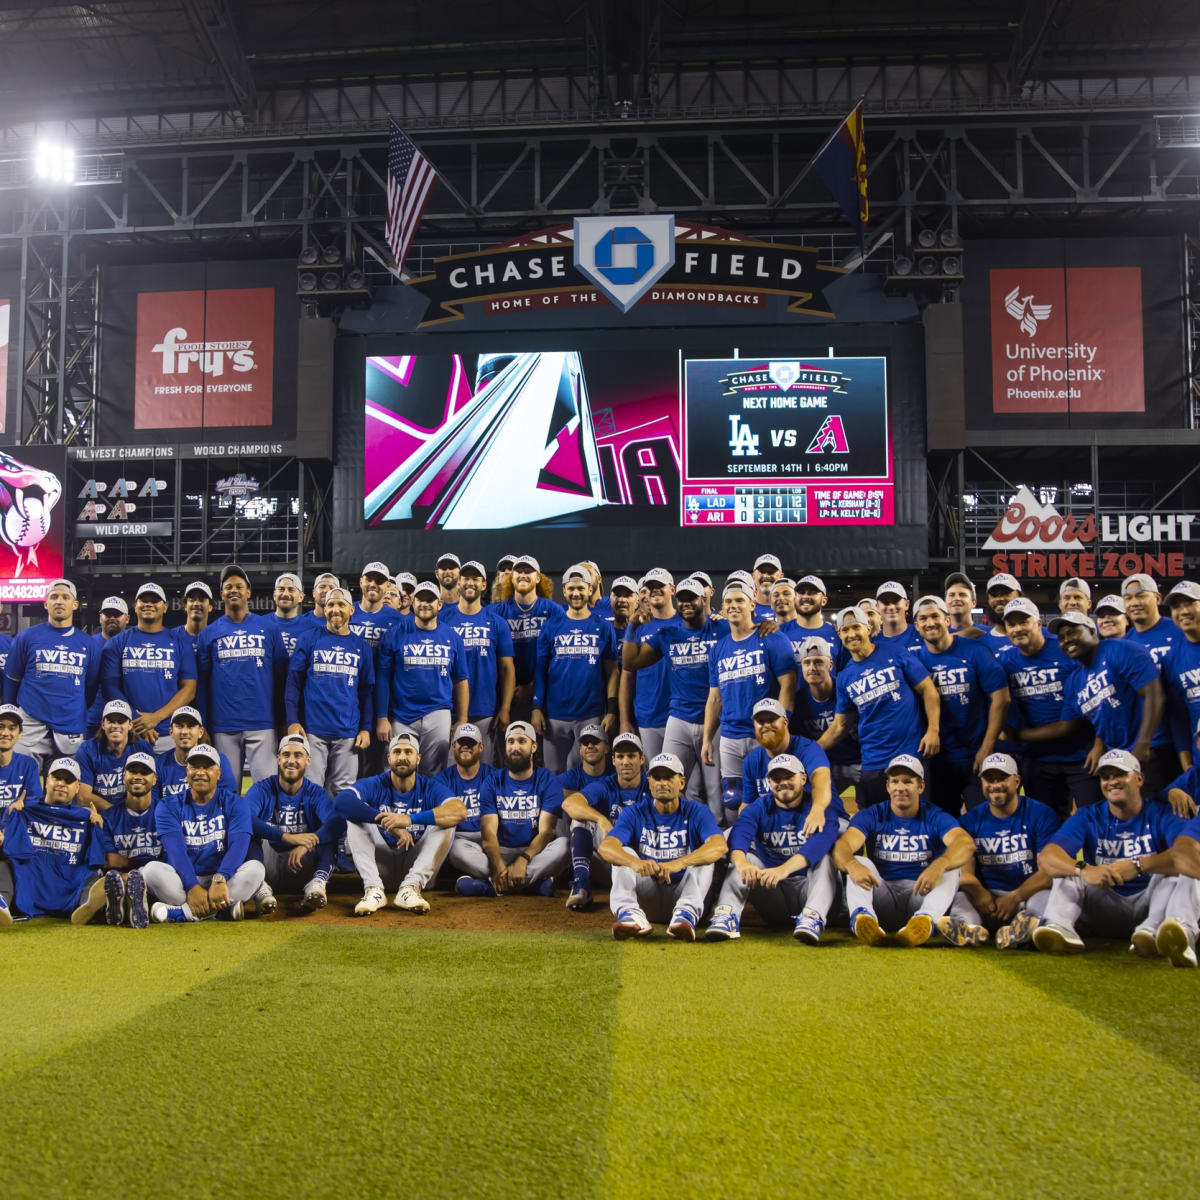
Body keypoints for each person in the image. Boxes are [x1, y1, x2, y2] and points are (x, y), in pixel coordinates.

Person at [1033, 750, 1195, 960]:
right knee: (1067, 869)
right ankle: (1059, 926)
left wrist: (1138, 865)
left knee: (1179, 873)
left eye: (1120, 775)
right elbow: (1048, 857)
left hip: (1151, 903)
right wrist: (1085, 869)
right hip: (1104, 901)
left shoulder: (1162, 813)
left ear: (1139, 779)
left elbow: (1187, 857)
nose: (1112, 782)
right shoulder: (1089, 815)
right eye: (1106, 777)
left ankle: (1152, 933)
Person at [832, 755, 974, 947]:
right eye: (895, 781)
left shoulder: (934, 815)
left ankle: (924, 922)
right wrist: (851, 864)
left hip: (920, 894)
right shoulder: (873, 814)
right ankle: (863, 919)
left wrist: (941, 863)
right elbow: (843, 846)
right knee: (861, 863)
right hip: (884, 897)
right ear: (888, 786)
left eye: (908, 782)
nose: (900, 787)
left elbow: (965, 843)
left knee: (951, 869)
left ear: (921, 787)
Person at [706, 753, 840, 943]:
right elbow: (739, 837)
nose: (782, 782)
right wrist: (743, 864)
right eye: (776, 779)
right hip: (774, 893)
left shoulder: (820, 810)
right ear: (769, 782)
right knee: (745, 861)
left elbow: (817, 848)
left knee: (826, 860)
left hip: (811, 888)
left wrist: (782, 870)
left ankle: (812, 917)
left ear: (803, 778)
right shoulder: (758, 808)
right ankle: (726, 915)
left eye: (788, 777)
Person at [819, 606, 940, 810]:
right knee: (877, 826)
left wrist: (933, 730)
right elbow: (840, 725)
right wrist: (810, 750)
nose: (851, 634)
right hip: (873, 761)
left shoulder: (895, 652)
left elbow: (928, 690)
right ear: (839, 635)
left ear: (867, 628)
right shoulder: (845, 677)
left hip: (909, 754)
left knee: (917, 822)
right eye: (845, 630)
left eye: (856, 627)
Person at [334, 729, 466, 915]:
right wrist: (387, 823)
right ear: (389, 758)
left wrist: (409, 819)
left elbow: (460, 810)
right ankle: (373, 890)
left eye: (408, 752)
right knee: (355, 820)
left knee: (447, 821)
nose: (402, 757)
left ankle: (410, 888)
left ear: (418, 758)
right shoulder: (376, 783)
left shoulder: (429, 786)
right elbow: (341, 802)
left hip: (416, 865)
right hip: (382, 868)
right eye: (397, 752)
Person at [599, 751, 727, 940]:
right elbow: (606, 847)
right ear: (649, 782)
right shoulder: (635, 812)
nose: (662, 783)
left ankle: (685, 915)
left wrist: (679, 863)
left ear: (681, 782)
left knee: (705, 855)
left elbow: (719, 846)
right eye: (656, 778)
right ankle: (629, 914)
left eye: (668, 777)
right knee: (623, 852)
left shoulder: (696, 811)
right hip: (648, 896)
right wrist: (635, 863)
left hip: (685, 892)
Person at [625, 578, 723, 820]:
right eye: (683, 598)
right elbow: (630, 662)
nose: (687, 603)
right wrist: (632, 626)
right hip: (678, 719)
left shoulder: (721, 628)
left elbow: (748, 629)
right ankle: (673, 836)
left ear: (704, 599)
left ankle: (720, 848)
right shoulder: (668, 633)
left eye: (693, 598)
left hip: (716, 720)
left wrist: (765, 624)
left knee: (715, 791)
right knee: (666, 781)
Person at [139, 743, 264, 923]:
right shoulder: (168, 805)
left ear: (219, 773)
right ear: (186, 771)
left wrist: (220, 878)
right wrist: (192, 887)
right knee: (150, 871)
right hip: (183, 879)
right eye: (194, 766)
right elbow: (176, 852)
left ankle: (182, 914)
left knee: (256, 869)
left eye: (207, 767)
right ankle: (221, 911)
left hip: (222, 878)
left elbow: (239, 845)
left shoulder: (236, 803)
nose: (200, 772)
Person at [999, 598, 1099, 819]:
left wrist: (1017, 735)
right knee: (1047, 827)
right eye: (1012, 625)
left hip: (1081, 755)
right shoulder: (1005, 661)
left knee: (1094, 823)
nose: (1017, 629)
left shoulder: (1066, 648)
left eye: (1023, 622)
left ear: (1038, 623)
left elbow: (1096, 701)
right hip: (1038, 760)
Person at [947, 753, 1060, 949]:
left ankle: (1023, 928)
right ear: (981, 782)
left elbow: (1048, 872)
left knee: (1051, 894)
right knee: (957, 895)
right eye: (989, 779)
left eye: (1002, 778)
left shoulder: (1041, 814)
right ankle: (971, 929)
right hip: (987, 901)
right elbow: (965, 873)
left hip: (1027, 895)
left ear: (1017, 781)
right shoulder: (969, 821)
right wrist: (979, 893)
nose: (995, 785)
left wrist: (1016, 896)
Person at [913, 594, 1010, 814]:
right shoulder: (914, 660)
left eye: (935, 616)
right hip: (938, 760)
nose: (930, 623)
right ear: (917, 626)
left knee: (985, 825)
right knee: (944, 831)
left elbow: (1001, 697)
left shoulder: (974, 650)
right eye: (924, 618)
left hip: (976, 754)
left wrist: (987, 746)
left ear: (947, 620)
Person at [701, 582, 796, 808]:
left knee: (772, 798)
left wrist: (782, 726)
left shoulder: (772, 637)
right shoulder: (718, 649)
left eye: (739, 600)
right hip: (730, 736)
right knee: (733, 801)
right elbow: (715, 698)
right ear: (722, 608)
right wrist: (707, 738)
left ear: (752, 604)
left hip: (764, 733)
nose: (733, 606)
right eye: (728, 602)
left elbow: (788, 685)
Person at [196, 564, 289, 783]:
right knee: (226, 789)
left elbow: (282, 677)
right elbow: (202, 684)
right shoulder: (209, 633)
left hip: (262, 722)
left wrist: (282, 720)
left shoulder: (269, 629)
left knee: (265, 790)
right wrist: (204, 725)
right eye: (228, 587)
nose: (234, 590)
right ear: (222, 594)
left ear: (249, 591)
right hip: (222, 724)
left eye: (239, 586)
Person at [456, 722, 569, 897]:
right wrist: (498, 865)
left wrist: (524, 859)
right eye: (511, 742)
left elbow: (546, 832)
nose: (515, 747)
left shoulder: (548, 780)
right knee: (456, 848)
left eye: (522, 741)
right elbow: (488, 833)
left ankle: (493, 888)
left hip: (534, 852)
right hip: (499, 850)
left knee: (565, 846)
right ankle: (530, 885)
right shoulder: (492, 781)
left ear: (534, 747)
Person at [285, 585, 374, 796]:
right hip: (313, 730)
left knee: (344, 792)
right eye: (330, 604)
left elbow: (367, 692)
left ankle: (341, 831)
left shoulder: (362, 647)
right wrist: (292, 720)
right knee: (312, 789)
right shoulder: (308, 638)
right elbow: (293, 682)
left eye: (341, 604)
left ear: (351, 610)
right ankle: (313, 830)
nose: (335, 609)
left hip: (347, 731)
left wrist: (366, 728)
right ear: (324, 609)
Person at [5, 578, 100, 772]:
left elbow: (89, 688)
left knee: (64, 792)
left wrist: (73, 710)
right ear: (45, 603)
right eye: (54, 597)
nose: (59, 601)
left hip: (70, 726)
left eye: (65, 597)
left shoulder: (89, 644)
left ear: (75, 604)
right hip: (30, 724)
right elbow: (12, 679)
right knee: (21, 790)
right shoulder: (27, 637)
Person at [375, 580, 469, 775]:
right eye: (420, 599)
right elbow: (383, 678)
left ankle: (428, 805)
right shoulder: (394, 634)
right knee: (397, 769)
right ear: (413, 603)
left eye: (430, 600)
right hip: (402, 714)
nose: (425, 604)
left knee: (434, 772)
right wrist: (382, 717)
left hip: (438, 711)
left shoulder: (452, 637)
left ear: (439, 605)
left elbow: (460, 680)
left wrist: (462, 718)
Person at [1052, 610, 1163, 771]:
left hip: (1150, 750)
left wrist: (1143, 744)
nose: (1067, 640)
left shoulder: (1120, 649)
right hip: (1116, 758)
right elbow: (1070, 725)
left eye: (1072, 633)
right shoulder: (1073, 681)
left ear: (1091, 631)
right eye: (1061, 638)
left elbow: (1154, 695)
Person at [0, 757, 106, 926]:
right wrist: (12, 816)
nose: (62, 783)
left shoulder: (88, 818)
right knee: (3, 864)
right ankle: (2, 902)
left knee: (95, 874)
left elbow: (98, 860)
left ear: (77, 787)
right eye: (57, 777)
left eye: (69, 780)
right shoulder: (23, 809)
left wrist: (98, 828)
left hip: (70, 888)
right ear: (46, 780)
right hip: (30, 887)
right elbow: (8, 849)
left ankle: (86, 903)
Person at [532, 565, 619, 771]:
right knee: (554, 775)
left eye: (581, 588)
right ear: (564, 591)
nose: (576, 593)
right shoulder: (551, 625)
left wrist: (612, 710)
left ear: (590, 589)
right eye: (571, 589)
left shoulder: (603, 626)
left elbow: (612, 672)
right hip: (555, 714)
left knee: (588, 773)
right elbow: (540, 670)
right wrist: (536, 708)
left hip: (591, 713)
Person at [100, 582, 197, 753]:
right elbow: (110, 688)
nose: (149, 604)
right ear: (135, 607)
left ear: (165, 607)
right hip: (130, 733)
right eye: (143, 600)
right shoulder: (116, 643)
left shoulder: (181, 642)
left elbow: (189, 689)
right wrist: (137, 721)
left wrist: (156, 717)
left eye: (155, 601)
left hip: (169, 731)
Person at [245, 735, 338, 914]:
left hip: (304, 865)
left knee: (329, 834)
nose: (291, 761)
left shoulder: (316, 793)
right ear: (278, 758)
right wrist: (286, 837)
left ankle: (317, 884)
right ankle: (260, 889)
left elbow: (335, 824)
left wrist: (309, 843)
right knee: (244, 833)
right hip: (266, 866)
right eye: (286, 755)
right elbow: (245, 819)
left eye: (298, 755)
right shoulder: (262, 788)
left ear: (308, 760)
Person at [561, 731, 650, 911]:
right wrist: (601, 819)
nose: (626, 761)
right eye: (620, 756)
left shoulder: (652, 786)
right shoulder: (606, 785)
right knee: (580, 820)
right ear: (613, 760)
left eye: (632, 756)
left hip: (642, 866)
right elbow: (570, 803)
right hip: (610, 861)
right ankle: (582, 883)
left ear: (642, 759)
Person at [439, 561, 515, 762]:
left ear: (483, 585)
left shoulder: (496, 622)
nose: (470, 583)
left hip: (485, 710)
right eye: (465, 578)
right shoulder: (442, 619)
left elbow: (507, 669)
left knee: (483, 772)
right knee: (449, 773)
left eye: (475, 579)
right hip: (448, 710)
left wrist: (505, 708)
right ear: (458, 583)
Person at [1121, 573, 1187, 791]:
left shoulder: (1179, 630)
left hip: (1187, 735)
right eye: (1128, 598)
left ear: (1158, 598)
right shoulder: (1124, 645)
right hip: (1151, 744)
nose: (1134, 603)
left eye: (1141, 596)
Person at [740, 698, 841, 831]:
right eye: (761, 721)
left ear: (785, 722)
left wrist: (818, 809)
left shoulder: (808, 749)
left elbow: (821, 777)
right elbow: (747, 803)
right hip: (777, 830)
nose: (766, 725)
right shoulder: (752, 760)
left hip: (822, 820)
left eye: (772, 720)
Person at [492, 555, 563, 722]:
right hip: (504, 696)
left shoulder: (554, 611)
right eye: (519, 571)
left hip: (543, 694)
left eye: (528, 571)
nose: (523, 574)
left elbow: (559, 657)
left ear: (538, 577)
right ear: (511, 577)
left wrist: (532, 687)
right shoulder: (495, 612)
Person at [95, 752, 160, 928]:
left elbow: (170, 859)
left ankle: (127, 904)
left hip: (155, 879)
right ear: (124, 777)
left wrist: (132, 868)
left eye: (144, 773)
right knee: (107, 877)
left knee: (157, 871)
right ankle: (128, 905)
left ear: (154, 779)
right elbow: (111, 860)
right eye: (133, 772)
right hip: (122, 879)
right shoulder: (109, 817)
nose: (138, 777)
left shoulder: (165, 812)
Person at [791, 637, 861, 796]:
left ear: (831, 665)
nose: (812, 668)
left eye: (818, 662)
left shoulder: (847, 689)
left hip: (860, 762)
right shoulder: (798, 701)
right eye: (806, 663)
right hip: (826, 766)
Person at [619, 568, 675, 759]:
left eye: (660, 586)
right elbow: (627, 674)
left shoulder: (686, 621)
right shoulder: (638, 626)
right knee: (654, 778)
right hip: (648, 715)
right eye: (650, 587)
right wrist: (625, 720)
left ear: (672, 590)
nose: (655, 590)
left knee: (689, 784)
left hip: (682, 716)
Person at [440, 724, 499, 886]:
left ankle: (486, 886)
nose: (465, 746)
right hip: (461, 839)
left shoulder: (495, 776)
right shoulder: (442, 781)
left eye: (471, 743)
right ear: (454, 746)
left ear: (481, 747)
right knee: (455, 851)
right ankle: (517, 879)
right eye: (461, 742)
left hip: (493, 836)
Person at [74, 699, 154, 812]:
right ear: (103, 724)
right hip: (99, 812)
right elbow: (83, 797)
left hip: (131, 811)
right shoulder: (87, 750)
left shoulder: (142, 748)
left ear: (130, 725)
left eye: (121, 721)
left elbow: (152, 788)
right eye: (111, 721)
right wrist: (115, 814)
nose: (115, 726)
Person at [155, 707, 239, 801]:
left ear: (200, 732)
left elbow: (228, 800)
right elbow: (154, 805)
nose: (184, 732)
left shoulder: (218, 760)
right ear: (171, 732)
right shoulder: (159, 764)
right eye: (179, 726)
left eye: (190, 726)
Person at [1161, 580, 1200, 762]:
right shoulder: (1171, 659)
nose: (1184, 611)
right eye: (1176, 607)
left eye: (1190, 604)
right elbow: (1177, 716)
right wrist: (1187, 764)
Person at [780, 574, 845, 668]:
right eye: (801, 592)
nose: (805, 596)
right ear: (794, 599)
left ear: (824, 600)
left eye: (812, 592)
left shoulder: (836, 634)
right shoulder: (780, 632)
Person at [86, 596, 129, 736]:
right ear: (100, 618)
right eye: (107, 614)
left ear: (127, 618)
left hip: (124, 719)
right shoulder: (87, 645)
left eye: (117, 614)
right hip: (92, 718)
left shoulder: (134, 645)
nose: (112, 618)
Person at [0, 705, 43, 822]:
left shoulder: (28, 765)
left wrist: (22, 806)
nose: (5, 733)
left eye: (12, 728)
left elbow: (34, 801)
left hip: (14, 830)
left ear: (20, 734)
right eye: (1, 727)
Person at [348, 561, 403, 649]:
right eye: (369, 580)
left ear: (388, 585)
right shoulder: (346, 612)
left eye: (379, 581)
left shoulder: (398, 620)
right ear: (361, 581)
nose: (373, 584)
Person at [181, 581, 213, 718]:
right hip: (179, 707)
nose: (196, 603)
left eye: (201, 599)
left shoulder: (217, 636)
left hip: (211, 706)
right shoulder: (171, 638)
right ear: (185, 606)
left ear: (210, 606)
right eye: (191, 599)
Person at [266, 572, 308, 657]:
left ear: (301, 597)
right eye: (281, 589)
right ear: (274, 595)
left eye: (291, 590)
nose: (285, 594)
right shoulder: (261, 624)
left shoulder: (311, 628)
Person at [873, 581, 921, 653]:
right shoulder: (872, 644)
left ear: (906, 604)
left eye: (895, 601)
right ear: (877, 607)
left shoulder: (922, 634)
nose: (891, 607)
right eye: (885, 602)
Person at [982, 573, 1023, 654]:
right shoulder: (982, 643)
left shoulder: (1043, 636)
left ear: (1019, 596)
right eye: (994, 595)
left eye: (1005, 593)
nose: (999, 599)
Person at [944, 572, 984, 640]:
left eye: (962, 595)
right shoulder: (934, 636)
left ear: (973, 603)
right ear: (945, 602)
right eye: (952, 595)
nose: (956, 598)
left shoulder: (987, 634)